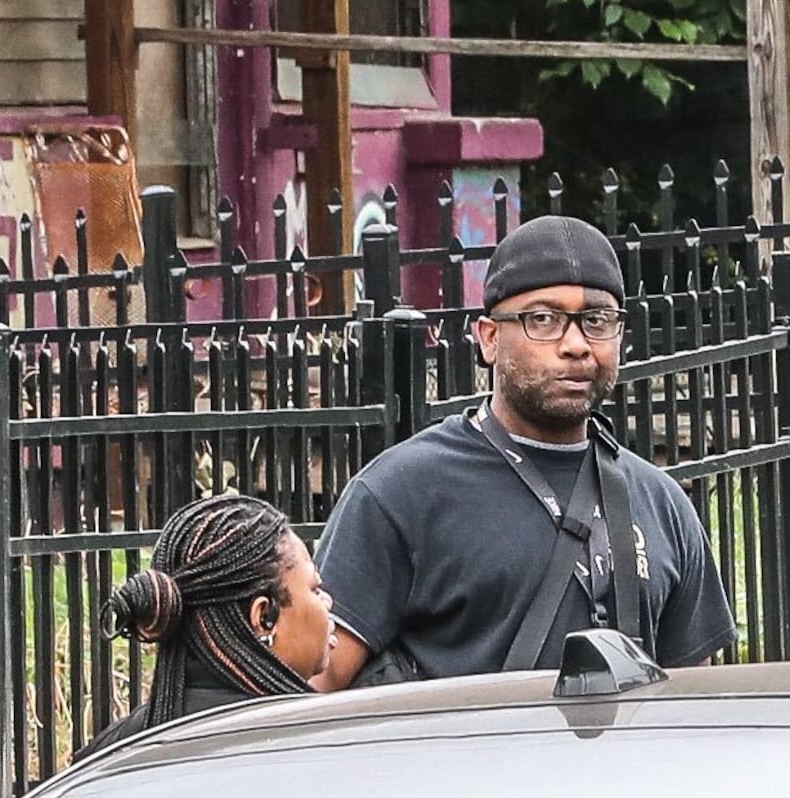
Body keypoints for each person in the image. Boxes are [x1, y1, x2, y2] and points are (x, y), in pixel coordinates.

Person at [313, 214, 734, 686]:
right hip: (462, 758)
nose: (575, 345)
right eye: (543, 320)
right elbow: (319, 684)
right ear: (490, 338)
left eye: (597, 320)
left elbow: (694, 700)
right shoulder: (399, 493)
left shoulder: (662, 503)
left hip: (627, 760)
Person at [83, 492, 331, 758]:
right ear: (263, 618)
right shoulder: (313, 747)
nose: (328, 601)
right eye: (315, 589)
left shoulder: (109, 755)